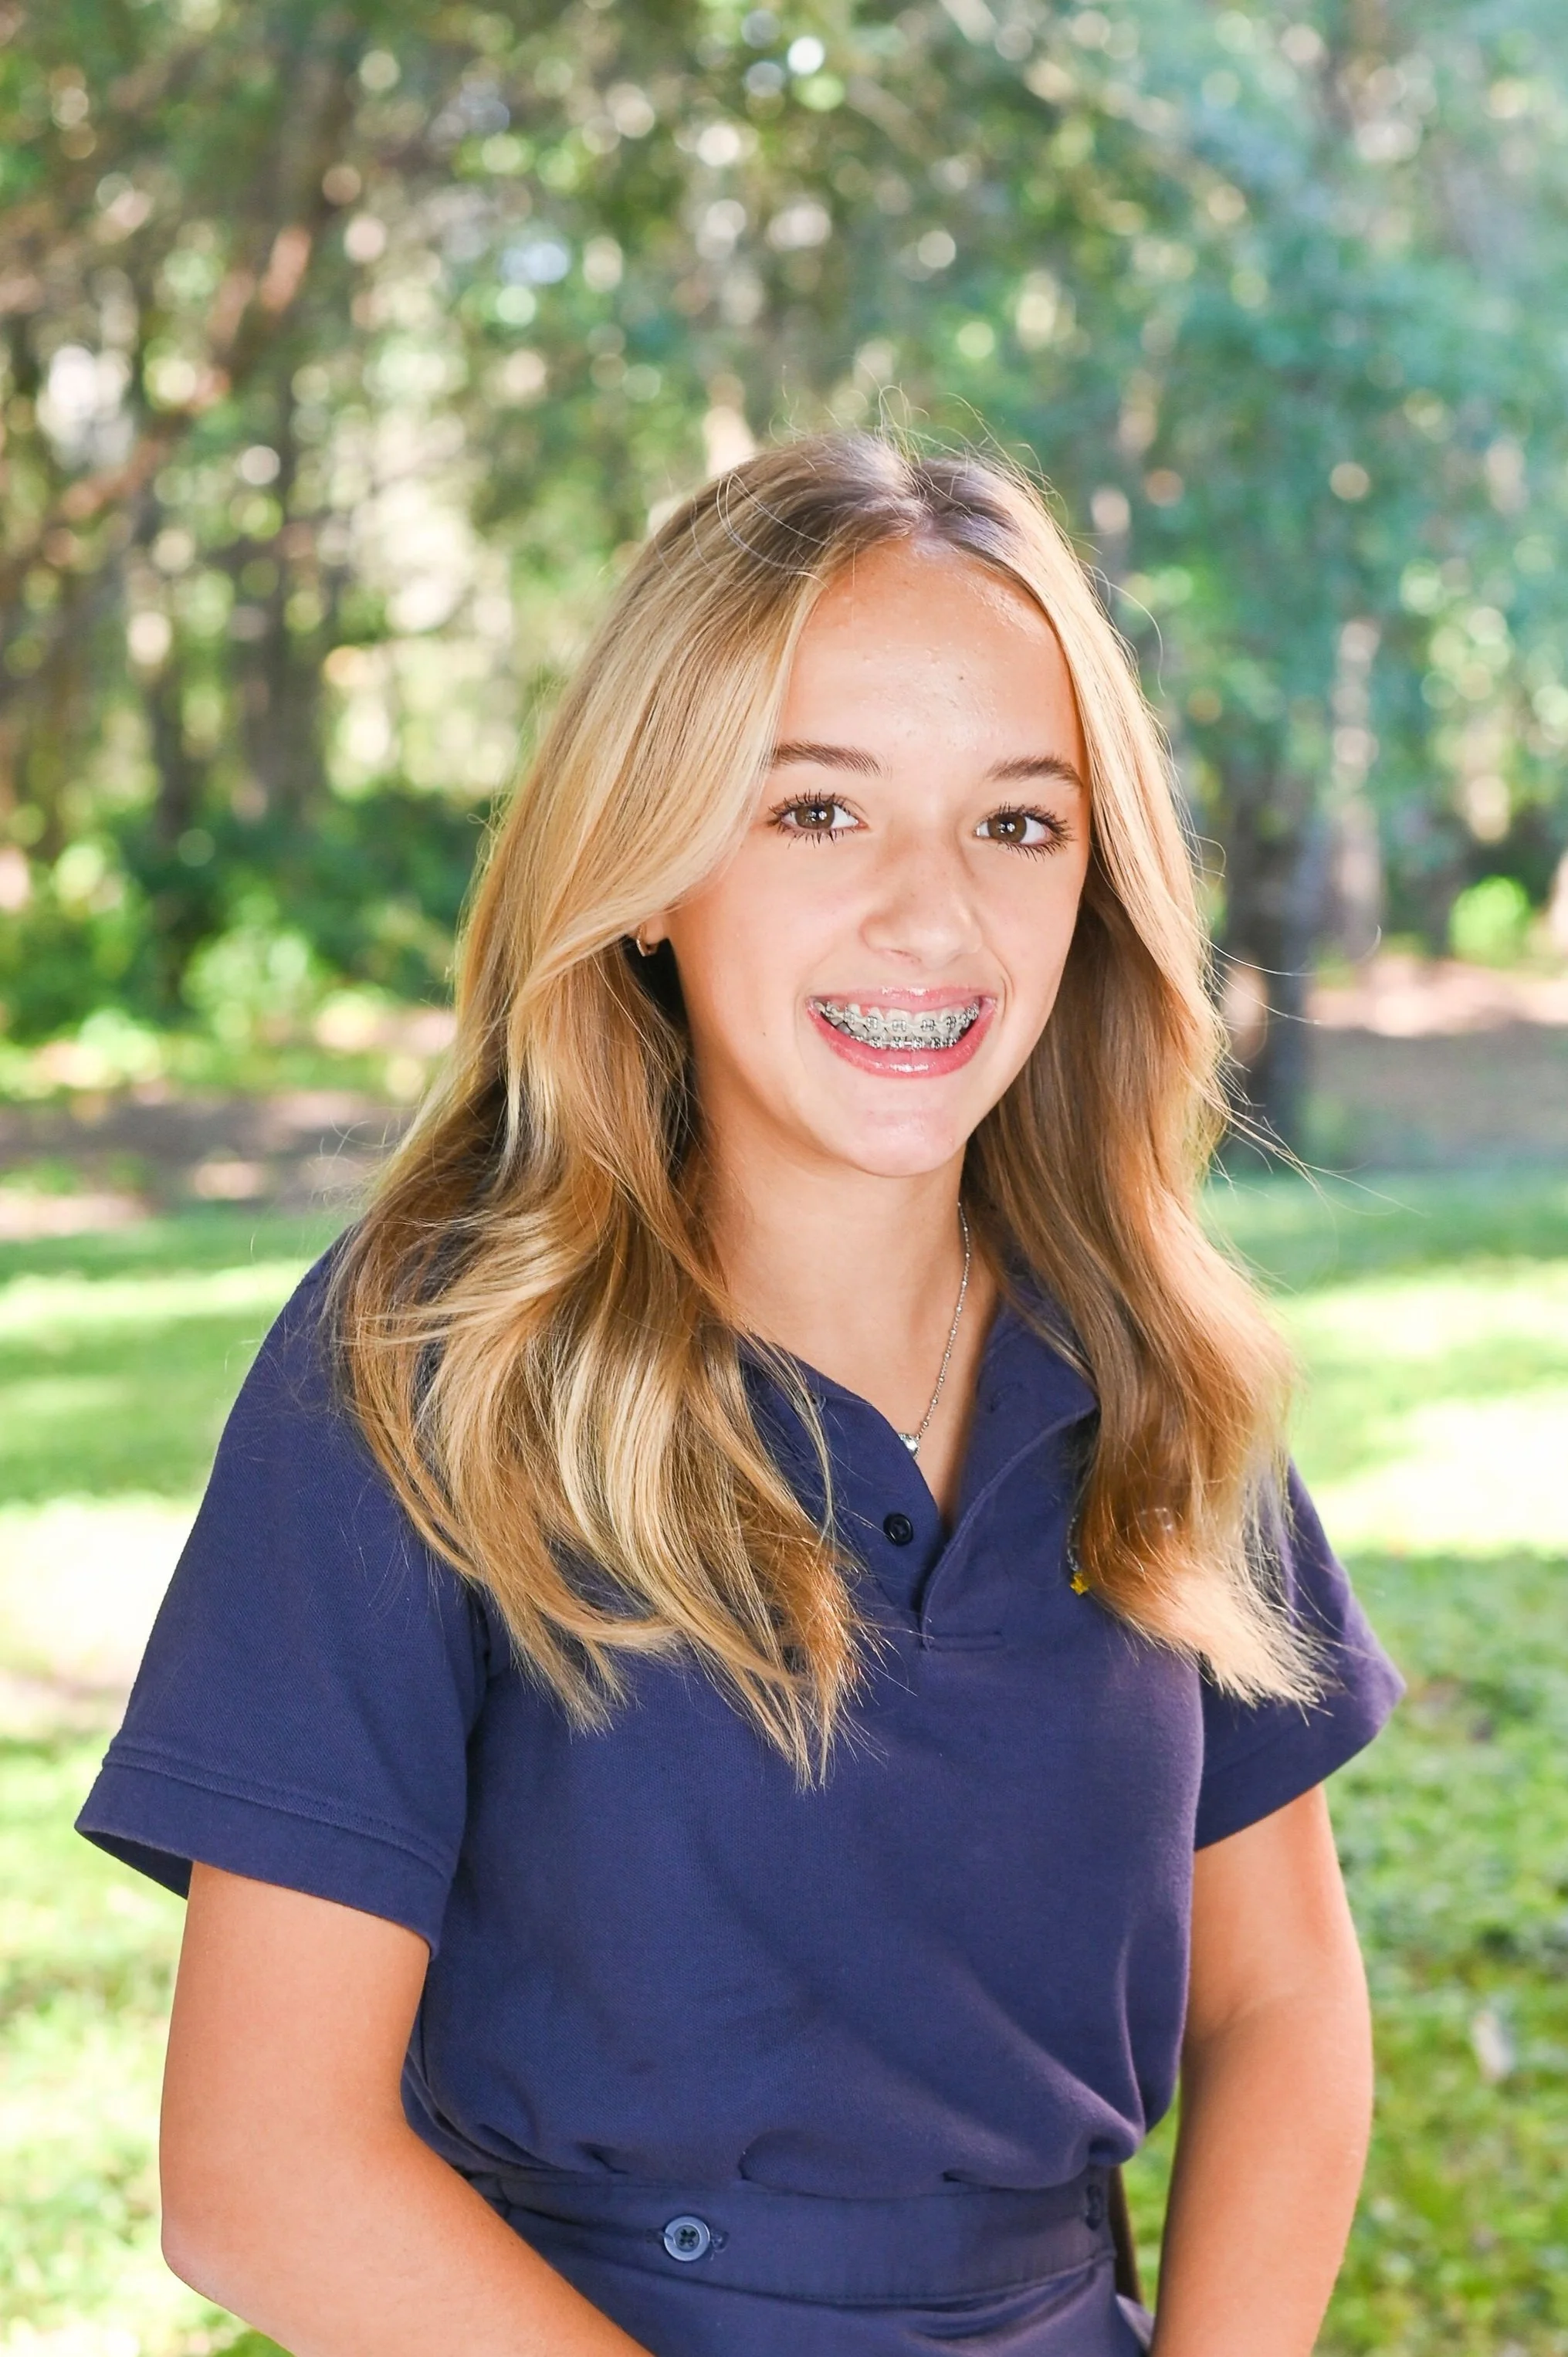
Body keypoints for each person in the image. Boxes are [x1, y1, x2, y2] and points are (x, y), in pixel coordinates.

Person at [79, 433, 1401, 2357]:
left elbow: (1282, 1999)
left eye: (1016, 823)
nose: (931, 917)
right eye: (815, 812)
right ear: (647, 867)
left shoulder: (1141, 1358)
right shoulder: (428, 1357)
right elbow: (260, 2169)